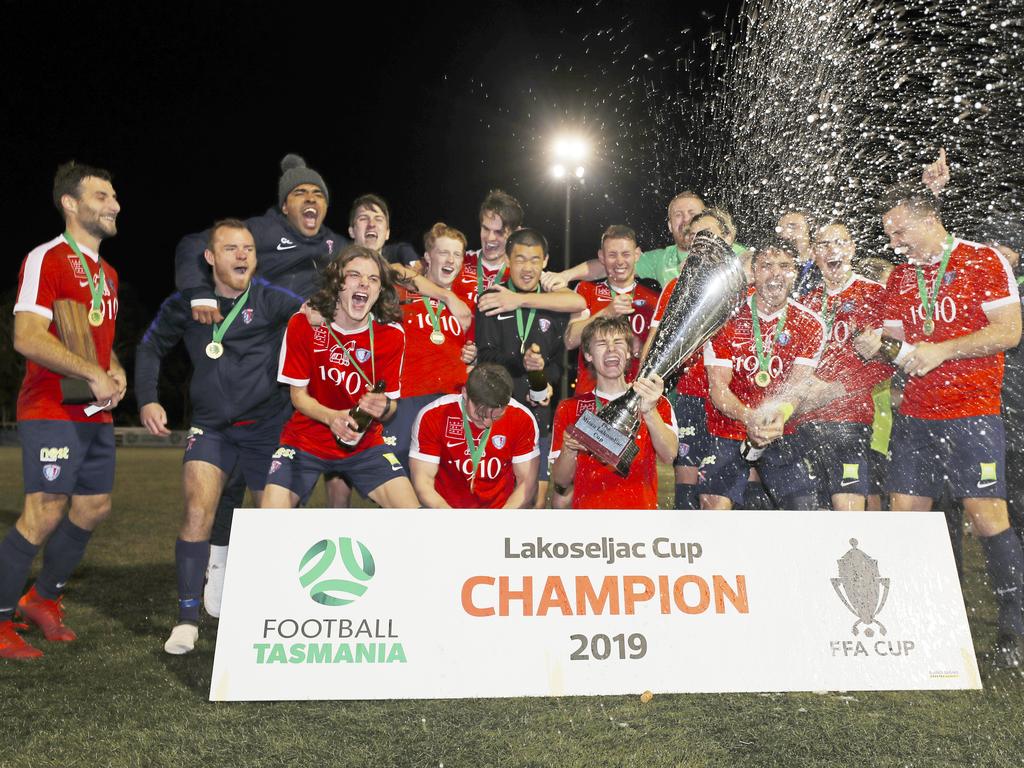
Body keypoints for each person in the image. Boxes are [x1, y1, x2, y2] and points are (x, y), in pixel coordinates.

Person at [853, 188, 1024, 668]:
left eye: (900, 230)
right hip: (917, 415)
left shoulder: (982, 260)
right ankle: (915, 621)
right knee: (906, 515)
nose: (894, 242)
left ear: (928, 219)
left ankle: (1014, 634)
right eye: (888, 233)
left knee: (986, 517)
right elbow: (897, 344)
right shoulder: (903, 277)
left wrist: (945, 349)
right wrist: (874, 345)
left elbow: (1009, 331)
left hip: (972, 412)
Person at [173, 153, 346, 613]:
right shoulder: (262, 232)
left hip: (300, 382)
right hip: (248, 375)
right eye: (300, 194)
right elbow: (193, 244)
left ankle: (289, 581)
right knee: (226, 487)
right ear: (283, 206)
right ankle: (220, 565)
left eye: (319, 195)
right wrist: (199, 292)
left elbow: (380, 266)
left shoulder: (333, 244)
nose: (311, 201)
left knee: (288, 482)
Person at [137, 220, 303, 654]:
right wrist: (147, 399)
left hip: (269, 429)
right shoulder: (188, 304)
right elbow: (151, 347)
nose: (243, 255)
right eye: (231, 248)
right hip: (212, 428)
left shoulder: (271, 299)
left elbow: (314, 319)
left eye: (248, 248)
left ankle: (277, 609)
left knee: (278, 520)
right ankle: (187, 619)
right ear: (210, 258)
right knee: (198, 512)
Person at [1, 161, 126, 660]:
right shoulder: (47, 259)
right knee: (45, 510)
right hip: (50, 407)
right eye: (102, 196)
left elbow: (101, 345)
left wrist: (113, 372)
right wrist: (89, 371)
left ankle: (42, 599)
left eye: (115, 196)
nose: (114, 204)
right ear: (71, 204)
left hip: (94, 410)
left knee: (94, 507)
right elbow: (27, 336)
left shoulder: (108, 274)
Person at [263, 245, 419, 509]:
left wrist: (385, 408)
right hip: (306, 440)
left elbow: (390, 406)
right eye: (354, 275)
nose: (364, 284)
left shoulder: (392, 335)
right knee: (269, 517)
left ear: (380, 291)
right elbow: (297, 396)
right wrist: (332, 417)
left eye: (373, 279)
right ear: (337, 282)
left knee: (412, 517)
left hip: (365, 444)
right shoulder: (304, 324)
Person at [702, 242, 825, 510]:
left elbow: (797, 387)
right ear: (754, 272)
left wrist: (779, 415)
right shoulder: (725, 317)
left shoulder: (811, 324)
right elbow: (718, 388)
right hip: (730, 427)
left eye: (784, 266)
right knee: (713, 513)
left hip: (781, 429)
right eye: (767, 266)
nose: (775, 274)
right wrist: (749, 417)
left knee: (804, 512)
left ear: (795, 274)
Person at [642, 210, 739, 510]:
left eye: (711, 235)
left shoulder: (741, 286)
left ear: (728, 238)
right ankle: (688, 555)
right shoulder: (675, 288)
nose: (705, 243)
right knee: (687, 492)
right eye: (698, 239)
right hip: (689, 396)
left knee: (721, 494)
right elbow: (653, 346)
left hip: (731, 399)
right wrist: (645, 382)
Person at [795, 222, 894, 510]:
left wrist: (838, 388)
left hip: (848, 421)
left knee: (848, 515)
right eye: (824, 245)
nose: (832, 250)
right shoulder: (805, 302)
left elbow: (888, 364)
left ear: (852, 248)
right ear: (814, 253)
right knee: (811, 513)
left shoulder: (874, 294)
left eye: (839, 242)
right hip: (804, 421)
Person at [474, 229, 574, 506]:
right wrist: (522, 363)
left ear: (545, 261)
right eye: (520, 259)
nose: (527, 268)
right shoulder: (492, 298)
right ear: (508, 260)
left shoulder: (554, 303)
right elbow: (484, 356)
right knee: (495, 497)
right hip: (496, 415)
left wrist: (546, 374)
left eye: (534, 260)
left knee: (536, 500)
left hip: (538, 415)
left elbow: (560, 362)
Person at [550, 317, 677, 509]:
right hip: (589, 521)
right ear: (588, 355)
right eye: (601, 343)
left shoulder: (653, 399)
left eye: (618, 342)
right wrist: (569, 449)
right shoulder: (569, 408)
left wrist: (649, 411)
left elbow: (669, 455)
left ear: (628, 352)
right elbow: (561, 481)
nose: (611, 349)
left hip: (639, 517)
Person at [383, 223, 476, 466]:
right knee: (398, 485)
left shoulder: (468, 301)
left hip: (451, 401)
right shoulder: (402, 290)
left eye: (457, 254)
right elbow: (390, 268)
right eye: (443, 252)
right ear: (427, 257)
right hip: (407, 398)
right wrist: (446, 296)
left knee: (443, 486)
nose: (451, 260)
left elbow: (477, 350)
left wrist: (474, 356)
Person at [409, 364, 539, 508]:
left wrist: (502, 521)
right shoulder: (433, 415)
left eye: (496, 417)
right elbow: (423, 483)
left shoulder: (522, 418)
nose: (488, 423)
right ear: (465, 393)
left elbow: (527, 484)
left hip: (501, 512)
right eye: (480, 415)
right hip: (446, 512)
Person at [564, 225, 660, 395]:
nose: (620, 262)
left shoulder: (653, 297)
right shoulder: (586, 290)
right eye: (612, 255)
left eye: (626, 254)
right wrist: (607, 312)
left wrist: (641, 349)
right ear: (601, 257)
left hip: (636, 395)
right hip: (591, 395)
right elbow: (570, 340)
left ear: (637, 254)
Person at [776, 209, 820, 297]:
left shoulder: (825, 267)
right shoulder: (772, 268)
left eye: (792, 227)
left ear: (811, 229)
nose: (785, 234)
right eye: (781, 229)